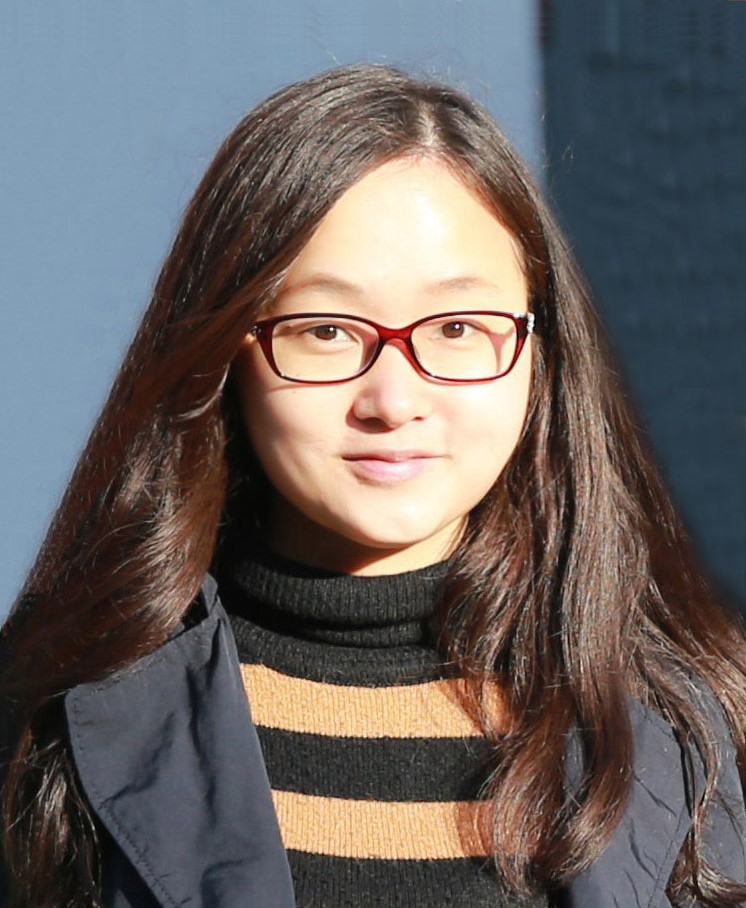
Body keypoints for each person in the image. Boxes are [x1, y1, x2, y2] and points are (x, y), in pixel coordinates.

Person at [1, 63, 745, 908]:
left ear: (541, 354)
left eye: (458, 326)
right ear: (224, 352)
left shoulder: (683, 735)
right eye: (326, 330)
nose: (393, 400)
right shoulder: (54, 724)